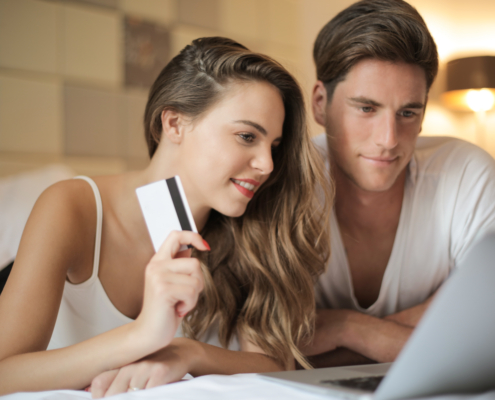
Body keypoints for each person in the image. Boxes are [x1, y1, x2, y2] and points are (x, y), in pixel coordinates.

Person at [0, 37, 331, 396]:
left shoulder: (254, 230)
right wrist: (141, 336)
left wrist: (188, 353)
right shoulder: (72, 208)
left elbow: (273, 363)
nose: (266, 165)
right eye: (246, 136)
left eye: (274, 147)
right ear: (174, 123)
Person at [303, 0, 495, 367]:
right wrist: (433, 325)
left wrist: (348, 328)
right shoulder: (284, 183)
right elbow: (267, 345)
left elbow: (485, 336)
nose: (389, 139)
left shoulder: (467, 175)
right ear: (319, 104)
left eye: (408, 112)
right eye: (366, 108)